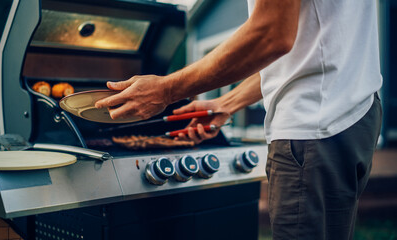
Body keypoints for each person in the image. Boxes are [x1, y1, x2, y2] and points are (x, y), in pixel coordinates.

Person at [95, 0, 382, 239]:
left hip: (311, 129)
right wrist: (226, 103)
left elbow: (271, 35)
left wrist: (167, 89)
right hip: (351, 115)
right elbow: (305, 48)